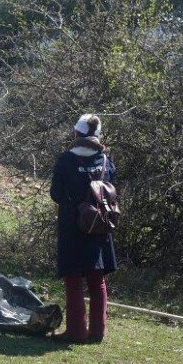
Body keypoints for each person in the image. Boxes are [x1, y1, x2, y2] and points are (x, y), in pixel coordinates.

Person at [50, 114, 117, 344]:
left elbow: (56, 194)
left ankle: (76, 331)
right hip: (99, 225)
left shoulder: (66, 160)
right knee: (97, 279)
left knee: (73, 277)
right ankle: (97, 332)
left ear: (76, 134)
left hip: (72, 224)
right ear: (97, 136)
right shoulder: (106, 160)